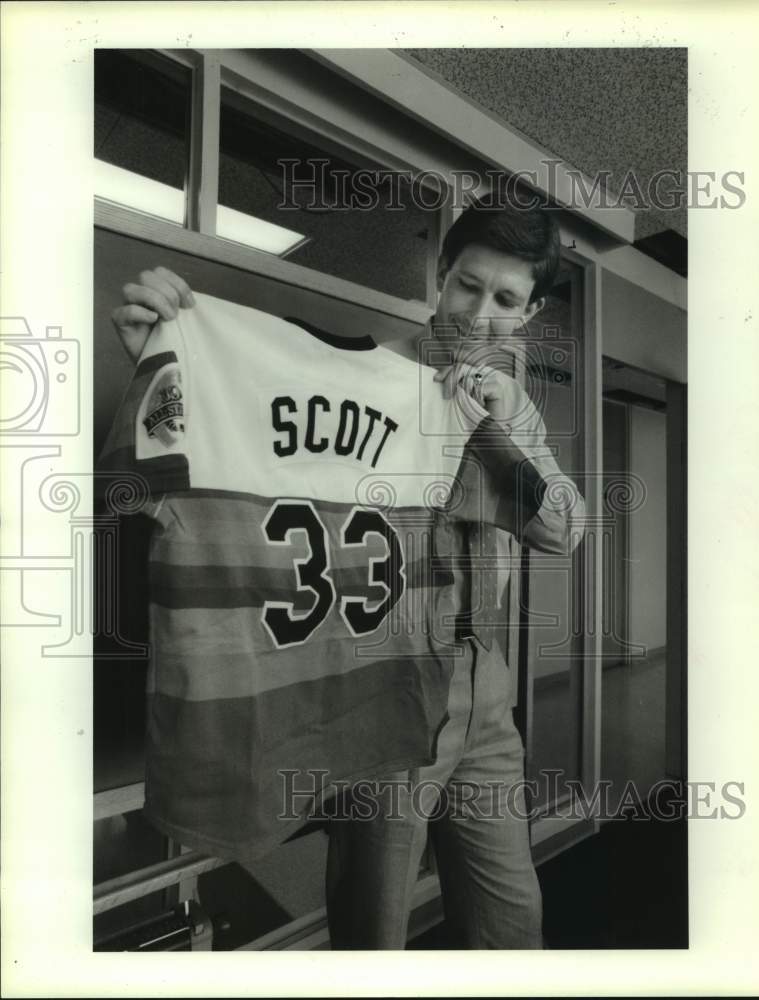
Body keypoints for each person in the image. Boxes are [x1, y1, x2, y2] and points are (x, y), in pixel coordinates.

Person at [109, 196, 585, 949]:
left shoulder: (512, 405)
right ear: (439, 274)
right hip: (384, 679)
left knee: (511, 916)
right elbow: (205, 454)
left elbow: (561, 530)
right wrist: (163, 359)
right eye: (467, 285)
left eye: (504, 299)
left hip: (483, 689)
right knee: (374, 921)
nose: (478, 312)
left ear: (528, 313)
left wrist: (498, 430)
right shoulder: (369, 375)